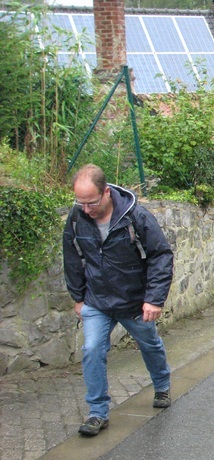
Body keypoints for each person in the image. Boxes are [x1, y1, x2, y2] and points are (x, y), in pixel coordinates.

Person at [63, 164, 174, 437]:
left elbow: (161, 255)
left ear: (107, 192)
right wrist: (78, 298)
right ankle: (97, 413)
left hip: (133, 300)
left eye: (92, 202)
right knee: (91, 350)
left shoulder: (135, 217)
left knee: (149, 343)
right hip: (97, 300)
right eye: (81, 203)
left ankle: (161, 384)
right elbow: (72, 258)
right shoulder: (77, 218)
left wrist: (154, 299)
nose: (86, 209)